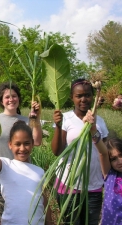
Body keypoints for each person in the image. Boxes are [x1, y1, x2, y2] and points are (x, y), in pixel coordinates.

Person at [0, 115, 51, 225]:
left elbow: (44, 201)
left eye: (27, 143)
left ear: (32, 144)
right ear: (10, 145)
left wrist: (50, 222)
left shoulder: (39, 171)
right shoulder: (5, 166)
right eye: (17, 144)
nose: (22, 148)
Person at [51, 79, 109, 224]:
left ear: (93, 96)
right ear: (72, 97)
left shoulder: (100, 122)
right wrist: (58, 126)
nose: (84, 99)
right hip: (69, 184)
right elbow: (57, 151)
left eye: (88, 95)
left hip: (94, 184)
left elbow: (106, 152)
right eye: (79, 96)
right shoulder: (66, 119)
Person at [0, 82, 42, 197]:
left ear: (19, 99)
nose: (11, 99)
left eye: (14, 96)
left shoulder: (28, 120)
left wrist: (37, 118)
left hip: (21, 172)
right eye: (7, 97)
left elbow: (36, 142)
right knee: (0, 212)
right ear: (1, 101)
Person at [83, 110, 122, 224]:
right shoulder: (109, 174)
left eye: (121, 156)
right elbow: (103, 153)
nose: (119, 161)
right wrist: (93, 130)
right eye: (113, 159)